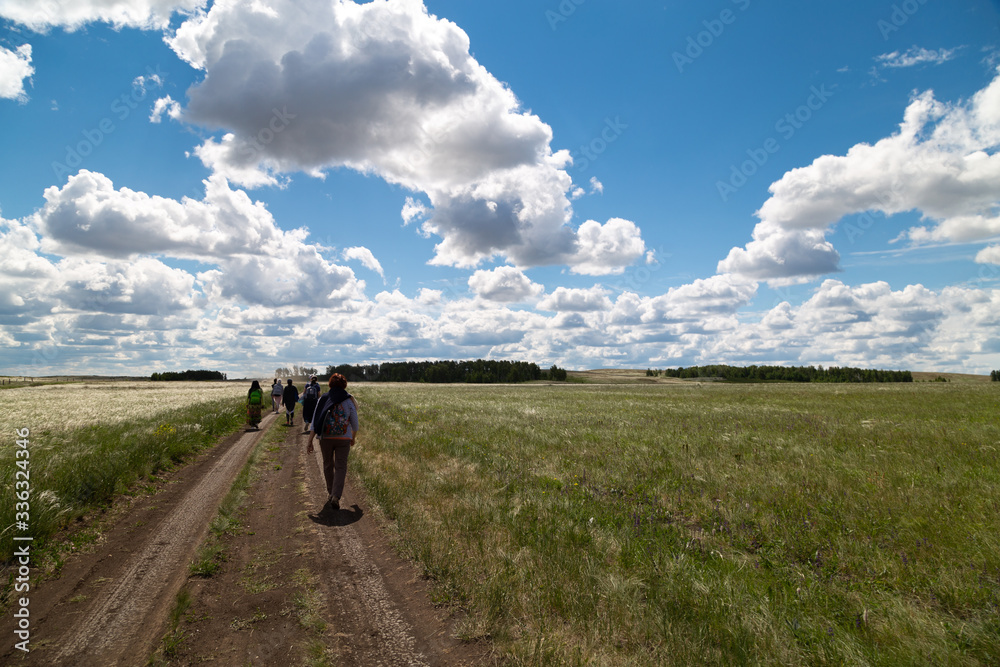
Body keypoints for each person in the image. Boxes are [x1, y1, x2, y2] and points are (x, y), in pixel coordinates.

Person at [307, 373, 359, 512]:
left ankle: (331, 493)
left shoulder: (323, 399)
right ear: (344, 385)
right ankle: (336, 495)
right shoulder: (348, 400)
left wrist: (310, 440)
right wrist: (352, 437)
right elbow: (355, 424)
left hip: (326, 438)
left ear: (330, 384)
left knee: (328, 464)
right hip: (344, 438)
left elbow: (315, 421)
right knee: (341, 466)